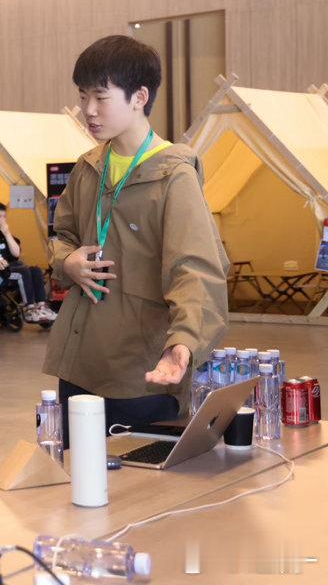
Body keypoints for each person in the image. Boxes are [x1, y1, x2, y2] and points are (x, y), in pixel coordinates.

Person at [45, 35, 229, 442]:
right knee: (74, 473)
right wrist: (67, 262)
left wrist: (183, 344)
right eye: (82, 96)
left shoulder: (173, 176)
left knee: (135, 480)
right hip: (78, 364)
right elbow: (63, 235)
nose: (88, 110)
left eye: (100, 96)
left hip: (141, 375)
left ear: (139, 97)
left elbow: (196, 269)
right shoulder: (88, 168)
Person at [0, 201, 57, 323]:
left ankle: (41, 307)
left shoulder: (2, 233)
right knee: (23, 272)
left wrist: (7, 234)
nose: (2, 220)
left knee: (35, 270)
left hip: (7, 270)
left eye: (4, 217)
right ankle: (29, 309)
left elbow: (16, 253)